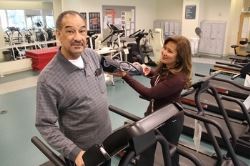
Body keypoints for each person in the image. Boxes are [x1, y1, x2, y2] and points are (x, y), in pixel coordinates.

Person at [35, 10, 112, 166]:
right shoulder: (48, 79)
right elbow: (45, 124)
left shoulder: (91, 55)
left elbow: (111, 65)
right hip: (82, 155)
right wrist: (74, 152)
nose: (78, 37)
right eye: (70, 31)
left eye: (82, 31)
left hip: (106, 142)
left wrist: (135, 68)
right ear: (58, 34)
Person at [112, 35, 192, 166]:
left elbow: (149, 94)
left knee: (170, 152)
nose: (164, 53)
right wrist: (148, 72)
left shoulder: (179, 78)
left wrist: (125, 76)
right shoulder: (166, 67)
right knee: (145, 150)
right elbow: (159, 77)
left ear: (180, 57)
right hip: (153, 114)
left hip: (170, 120)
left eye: (170, 51)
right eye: (165, 48)